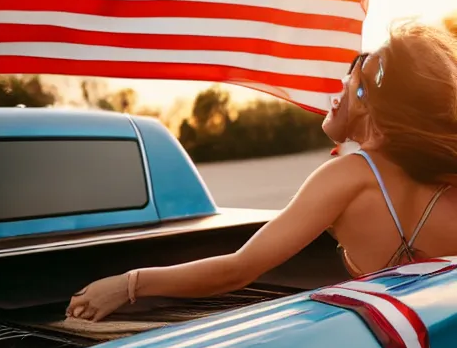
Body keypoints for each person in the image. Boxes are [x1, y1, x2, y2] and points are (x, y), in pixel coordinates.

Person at [67, 18, 457, 322]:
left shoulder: (348, 177)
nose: (332, 95)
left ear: (364, 100)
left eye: (346, 83)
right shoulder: (444, 177)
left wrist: (128, 285)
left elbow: (237, 270)